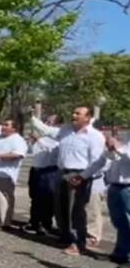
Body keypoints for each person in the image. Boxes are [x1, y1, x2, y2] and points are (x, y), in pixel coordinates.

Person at [31, 106, 105, 256]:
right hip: (62, 172)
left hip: (79, 174)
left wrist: (83, 176)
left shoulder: (94, 136)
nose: (74, 115)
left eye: (78, 113)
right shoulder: (65, 130)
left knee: (76, 211)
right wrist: (32, 116)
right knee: (61, 208)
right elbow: (46, 130)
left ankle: (78, 243)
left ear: (88, 117)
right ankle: (65, 236)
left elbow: (98, 161)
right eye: (74, 112)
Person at [76, 134, 130, 268]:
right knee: (120, 222)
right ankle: (121, 253)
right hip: (115, 186)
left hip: (127, 187)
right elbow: (102, 161)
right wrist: (83, 176)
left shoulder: (122, 144)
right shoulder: (124, 138)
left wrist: (118, 148)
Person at [24, 117, 60, 234]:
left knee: (48, 199)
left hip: (49, 171)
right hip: (36, 170)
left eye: (49, 122)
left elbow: (52, 151)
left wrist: (39, 140)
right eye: (46, 121)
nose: (45, 124)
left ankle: (46, 224)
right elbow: (30, 151)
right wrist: (32, 142)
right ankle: (34, 221)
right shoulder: (42, 137)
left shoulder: (58, 137)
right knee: (35, 197)